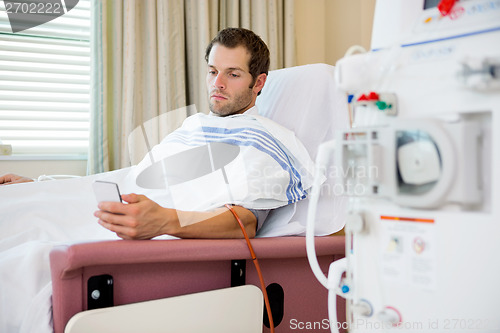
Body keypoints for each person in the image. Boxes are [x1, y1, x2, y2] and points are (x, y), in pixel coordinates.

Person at [0, 28, 312, 241]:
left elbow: (245, 221)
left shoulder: (268, 141)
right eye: (213, 71)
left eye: (233, 74)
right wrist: (45, 186)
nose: (217, 83)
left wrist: (164, 221)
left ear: (258, 83)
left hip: (153, 234)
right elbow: (132, 178)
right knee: (16, 203)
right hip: (118, 215)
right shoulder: (194, 126)